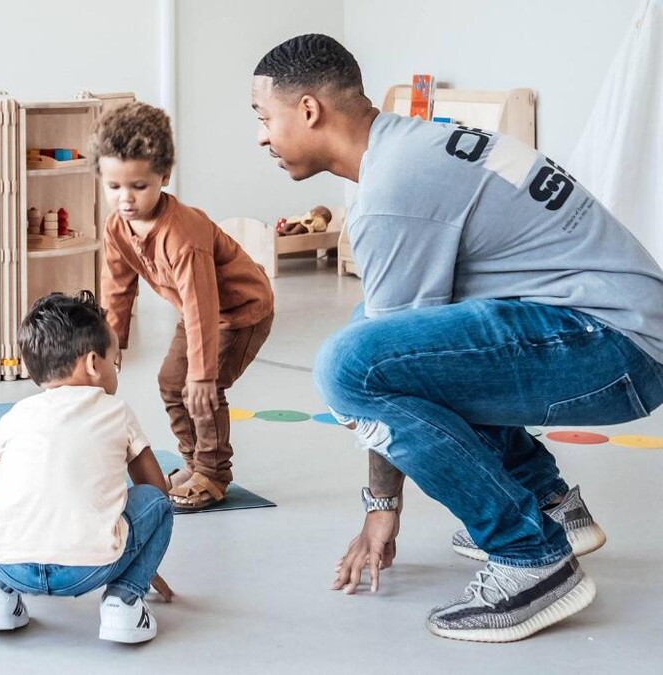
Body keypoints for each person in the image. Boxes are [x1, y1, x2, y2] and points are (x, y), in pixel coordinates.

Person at [252, 33, 663, 641]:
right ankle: (550, 505)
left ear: (308, 110)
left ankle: (532, 558)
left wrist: (380, 508)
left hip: (614, 347)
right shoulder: (430, 142)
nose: (261, 136)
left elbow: (377, 369)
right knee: (373, 329)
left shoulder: (391, 193)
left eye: (264, 118)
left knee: (347, 366)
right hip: (622, 329)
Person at [0, 291, 174, 644]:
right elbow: (156, 493)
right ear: (92, 364)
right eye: (115, 360)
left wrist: (1, 557)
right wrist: (142, 564)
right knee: (157, 504)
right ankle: (124, 601)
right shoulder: (116, 411)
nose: (117, 370)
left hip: (10, 567)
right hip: (91, 568)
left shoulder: (13, 417)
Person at [94, 101, 276, 511]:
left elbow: (202, 307)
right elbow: (117, 288)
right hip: (196, 309)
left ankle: (212, 474)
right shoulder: (117, 227)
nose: (125, 199)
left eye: (139, 186)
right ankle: (193, 462)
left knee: (201, 390)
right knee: (170, 382)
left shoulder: (183, 235)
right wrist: (111, 343)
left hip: (240, 310)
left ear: (164, 176)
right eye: (114, 187)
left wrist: (203, 374)